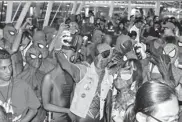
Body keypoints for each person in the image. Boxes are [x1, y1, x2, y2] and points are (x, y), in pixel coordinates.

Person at [56, 43, 114, 122]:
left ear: (109, 59)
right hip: (81, 117)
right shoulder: (84, 70)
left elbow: (108, 104)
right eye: (98, 54)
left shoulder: (109, 77)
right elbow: (65, 65)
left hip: (98, 118)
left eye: (104, 55)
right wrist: (58, 50)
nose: (100, 58)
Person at [0, 49, 40, 122]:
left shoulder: (22, 85)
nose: (9, 71)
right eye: (3, 68)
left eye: (10, 66)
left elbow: (34, 109)